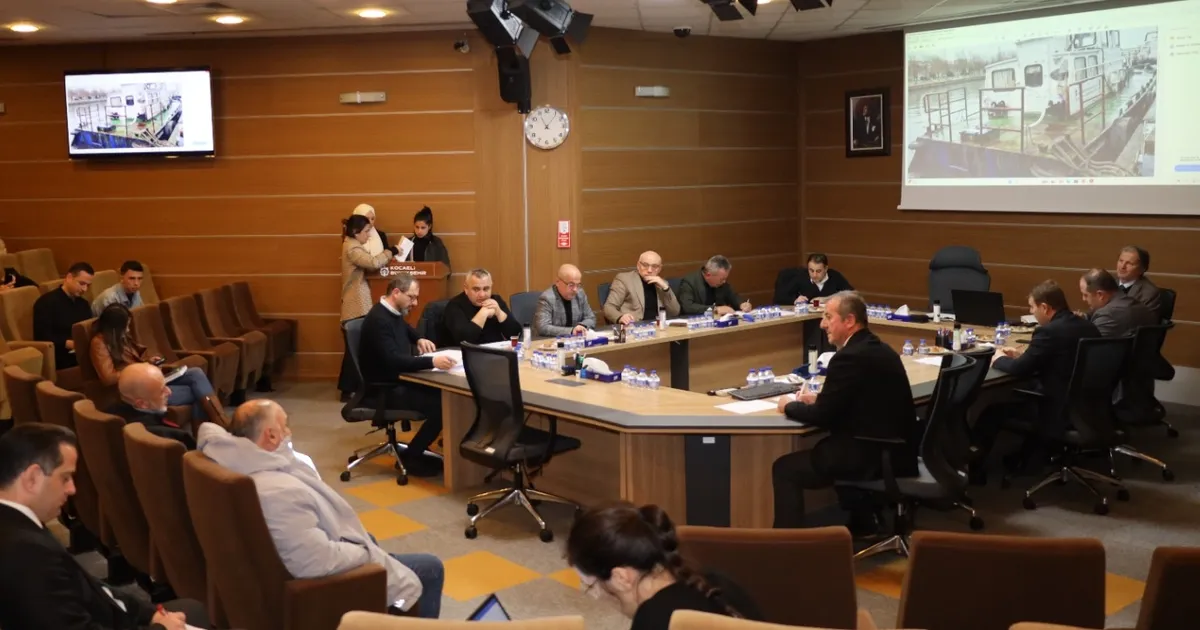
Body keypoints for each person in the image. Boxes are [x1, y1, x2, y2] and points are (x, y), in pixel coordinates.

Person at [197, 400, 445, 618]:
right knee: (430, 568)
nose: (289, 432)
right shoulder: (278, 493)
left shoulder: (238, 462)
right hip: (321, 590)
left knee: (370, 539)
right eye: (285, 426)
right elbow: (313, 561)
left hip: (308, 557)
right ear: (271, 436)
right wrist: (363, 552)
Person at [0, 423, 209, 630]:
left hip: (106, 613)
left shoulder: (18, 524)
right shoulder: (26, 552)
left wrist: (151, 614)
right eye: (65, 477)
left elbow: (89, 586)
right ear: (33, 478)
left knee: (193, 608)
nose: (72, 489)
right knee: (194, 611)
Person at [771, 290, 917, 530]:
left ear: (849, 321)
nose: (822, 324)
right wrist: (820, 398)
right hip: (896, 450)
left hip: (872, 455)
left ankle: (787, 544)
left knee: (785, 468)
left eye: (828, 317)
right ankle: (865, 520)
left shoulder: (848, 358)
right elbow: (861, 397)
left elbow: (822, 416)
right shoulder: (880, 348)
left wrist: (789, 405)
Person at [567, 502, 762, 630]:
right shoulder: (715, 582)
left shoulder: (654, 618)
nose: (596, 595)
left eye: (592, 585)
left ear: (621, 578)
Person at [970, 281, 1100, 473]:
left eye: (1032, 307)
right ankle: (1029, 456)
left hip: (1058, 409)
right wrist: (1022, 356)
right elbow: (1062, 358)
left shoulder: (1048, 332)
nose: (1031, 312)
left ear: (1045, 307)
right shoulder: (1088, 327)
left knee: (991, 413)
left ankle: (972, 471)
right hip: (1090, 408)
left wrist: (998, 359)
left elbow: (1020, 370)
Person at [360, 274, 456, 476]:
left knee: (445, 397)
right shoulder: (378, 320)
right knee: (442, 406)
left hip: (398, 380)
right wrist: (431, 362)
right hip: (385, 388)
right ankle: (411, 457)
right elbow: (394, 360)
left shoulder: (390, 312)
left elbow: (405, 328)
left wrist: (419, 338)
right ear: (396, 293)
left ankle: (418, 451)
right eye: (411, 297)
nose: (415, 303)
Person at [90, 304, 216, 420]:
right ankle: (215, 422)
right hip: (135, 389)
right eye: (126, 326)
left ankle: (218, 420)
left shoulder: (120, 337)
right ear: (115, 328)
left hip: (146, 380)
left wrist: (148, 362)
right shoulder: (99, 343)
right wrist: (141, 368)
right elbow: (108, 378)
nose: (128, 330)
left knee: (196, 373)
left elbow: (134, 360)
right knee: (199, 391)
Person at [340, 214, 402, 398]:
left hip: (358, 302)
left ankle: (351, 388)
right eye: (366, 231)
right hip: (355, 304)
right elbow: (374, 263)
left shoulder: (353, 245)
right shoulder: (352, 248)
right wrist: (391, 251)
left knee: (356, 348)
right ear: (355, 232)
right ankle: (349, 389)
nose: (368, 235)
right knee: (354, 349)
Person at [106, 363, 199, 449]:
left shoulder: (108, 415)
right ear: (142, 404)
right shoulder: (172, 437)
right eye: (162, 391)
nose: (169, 392)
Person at [33, 261, 94, 370]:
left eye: (88, 285)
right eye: (82, 283)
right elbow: (42, 337)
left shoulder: (83, 303)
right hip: (60, 355)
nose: (85, 289)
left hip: (82, 351)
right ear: (69, 278)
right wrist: (69, 343)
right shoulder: (46, 302)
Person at [441, 268, 522, 346]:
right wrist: (483, 313)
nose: (482, 295)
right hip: (467, 353)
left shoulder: (496, 301)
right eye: (476, 289)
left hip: (495, 351)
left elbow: (516, 335)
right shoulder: (455, 305)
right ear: (466, 288)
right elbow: (465, 340)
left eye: (486, 289)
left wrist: (499, 313)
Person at [603, 251, 681, 325]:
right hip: (635, 327)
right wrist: (620, 317)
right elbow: (609, 307)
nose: (649, 270)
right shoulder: (625, 280)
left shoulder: (662, 283)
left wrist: (666, 288)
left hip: (658, 327)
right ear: (638, 265)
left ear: (660, 269)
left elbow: (675, 312)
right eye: (645, 265)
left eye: (654, 266)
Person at [1078, 269, 1158, 338]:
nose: (1083, 299)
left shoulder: (1107, 315)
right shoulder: (1139, 306)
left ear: (1100, 295)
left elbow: (1087, 345)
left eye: (1086, 295)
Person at [534, 264, 596, 338]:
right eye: (571, 285)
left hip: (576, 341)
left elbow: (591, 318)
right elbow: (543, 327)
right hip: (550, 341)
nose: (575, 289)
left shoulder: (580, 294)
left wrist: (581, 326)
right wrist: (571, 331)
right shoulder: (547, 298)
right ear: (557, 282)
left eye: (578, 285)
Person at [677, 255, 751, 316]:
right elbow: (688, 307)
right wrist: (715, 309)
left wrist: (742, 304)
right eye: (722, 279)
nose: (724, 282)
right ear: (708, 275)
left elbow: (733, 296)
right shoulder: (689, 282)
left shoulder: (722, 284)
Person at [773, 253, 854, 306]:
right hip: (808, 321)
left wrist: (826, 299)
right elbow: (780, 297)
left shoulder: (834, 276)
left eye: (818, 271)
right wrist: (794, 300)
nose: (814, 275)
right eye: (811, 270)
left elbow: (852, 294)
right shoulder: (801, 276)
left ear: (826, 269)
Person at [1115, 245, 1162, 315]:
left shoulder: (1149, 293)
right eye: (1121, 261)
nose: (1122, 266)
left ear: (1142, 269)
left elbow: (1145, 320)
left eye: (1129, 263)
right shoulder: (1107, 284)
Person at [411, 206, 452, 272]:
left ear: (429, 226)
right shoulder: (407, 242)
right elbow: (397, 268)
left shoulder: (436, 243)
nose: (419, 231)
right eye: (417, 227)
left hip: (431, 277)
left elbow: (446, 268)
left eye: (423, 228)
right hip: (411, 277)